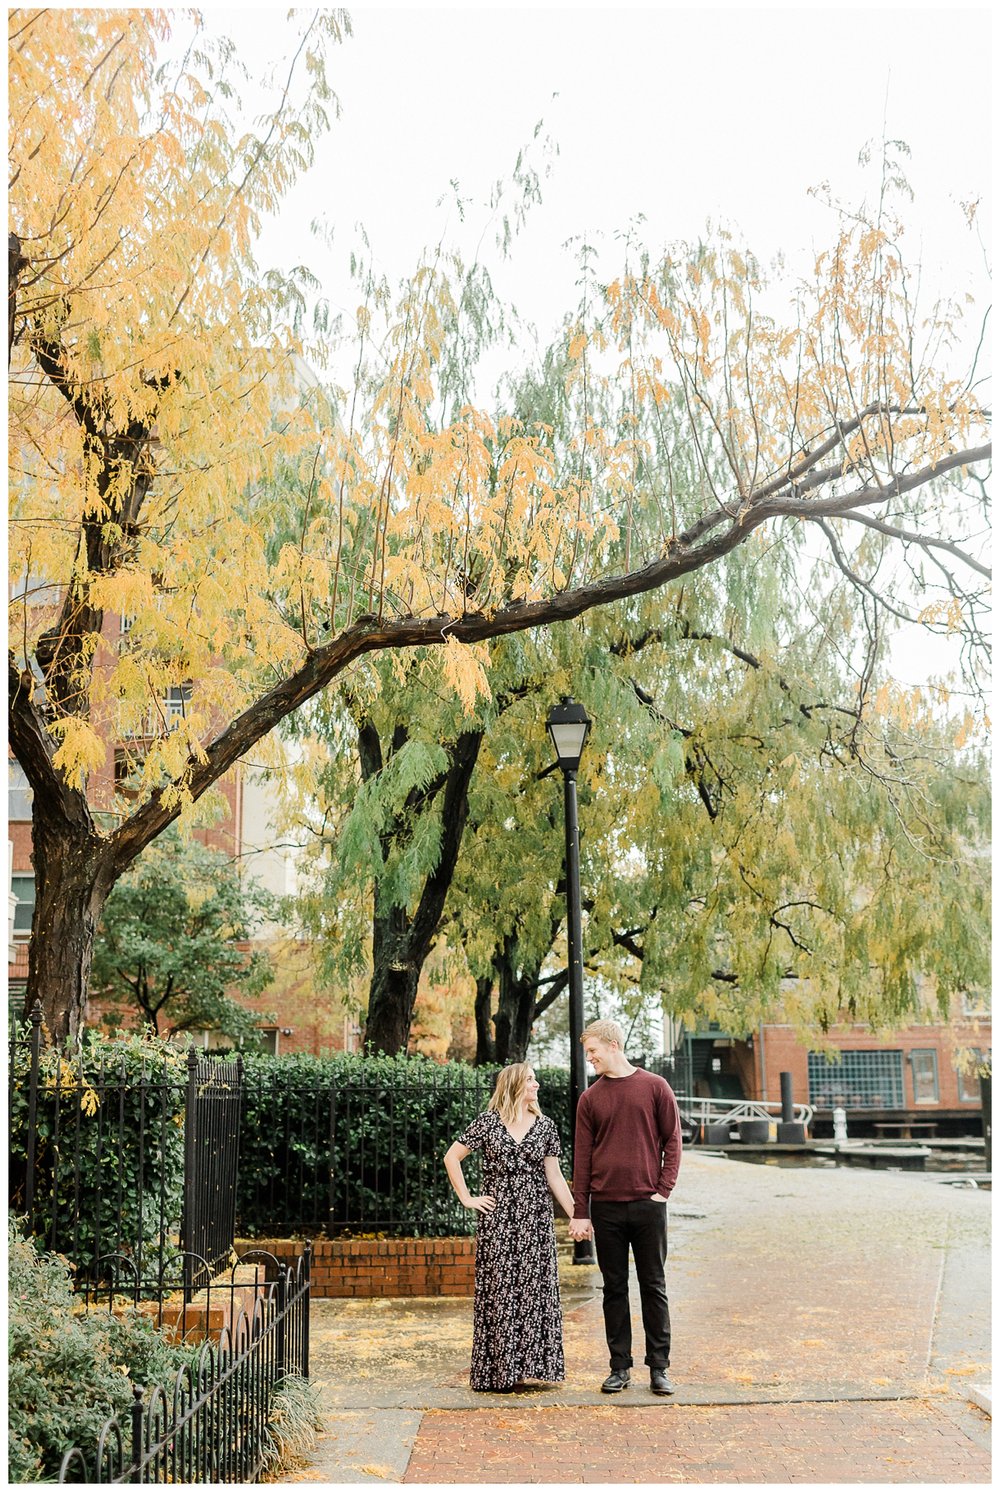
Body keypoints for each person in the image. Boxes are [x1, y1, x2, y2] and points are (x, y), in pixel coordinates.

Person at [444, 1062, 576, 1393]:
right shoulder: (488, 1123)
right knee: (500, 1289)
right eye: (531, 1079)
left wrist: (577, 1213)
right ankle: (500, 1370)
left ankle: (531, 1366)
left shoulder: (545, 1127)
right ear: (515, 1084)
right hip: (498, 1219)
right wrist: (467, 1198)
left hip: (535, 1218)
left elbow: (554, 1176)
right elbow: (451, 1157)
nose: (537, 1084)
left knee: (534, 1290)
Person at [568, 1018, 682, 1396]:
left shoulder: (655, 1087)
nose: (591, 1059)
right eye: (588, 1053)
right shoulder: (591, 1099)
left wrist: (663, 1190)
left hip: (648, 1205)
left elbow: (673, 1141)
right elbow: (581, 1158)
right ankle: (619, 1367)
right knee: (613, 1288)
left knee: (654, 1286)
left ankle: (659, 1368)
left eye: (593, 1051)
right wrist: (580, 1212)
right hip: (606, 1208)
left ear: (613, 1045)